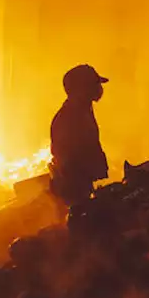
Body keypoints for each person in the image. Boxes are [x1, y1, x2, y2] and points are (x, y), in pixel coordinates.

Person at [50, 64, 109, 206]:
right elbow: (69, 158)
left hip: (80, 186)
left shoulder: (82, 111)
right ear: (82, 89)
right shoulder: (70, 117)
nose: (99, 89)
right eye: (94, 85)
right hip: (73, 191)